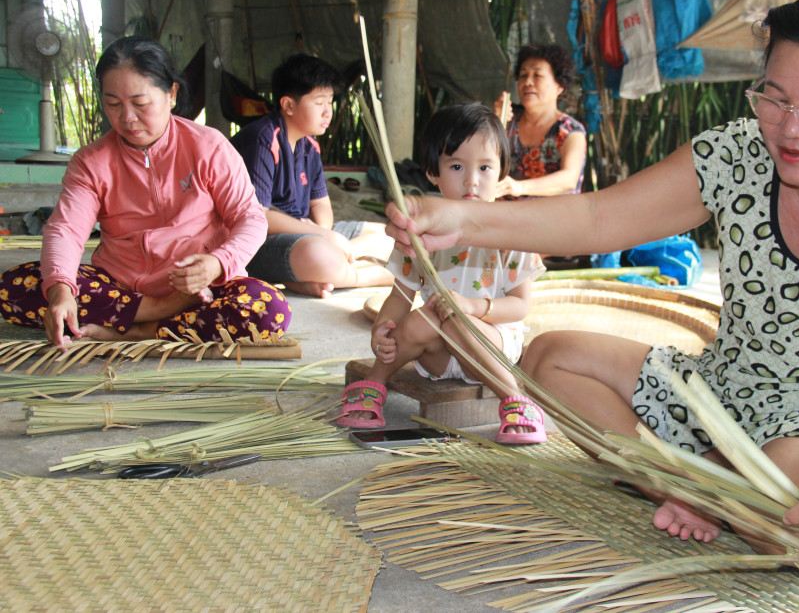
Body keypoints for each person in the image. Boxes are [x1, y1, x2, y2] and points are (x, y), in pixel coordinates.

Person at [384, 0, 799, 579]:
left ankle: (702, 484)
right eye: (773, 98)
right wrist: (461, 218)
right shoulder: (736, 155)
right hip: (723, 397)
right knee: (550, 358)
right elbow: (599, 217)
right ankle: (690, 486)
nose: (789, 127)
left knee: (794, 496)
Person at [0, 36, 291, 346]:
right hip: (120, 288)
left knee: (268, 309)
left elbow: (250, 218)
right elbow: (66, 231)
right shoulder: (91, 162)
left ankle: (140, 330)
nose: (127, 117)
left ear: (171, 94)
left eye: (140, 104)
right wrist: (61, 291)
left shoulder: (208, 146)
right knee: (15, 288)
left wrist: (218, 263)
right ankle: (162, 312)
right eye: (113, 104)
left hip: (202, 286)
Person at [339, 103, 546, 443]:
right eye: (456, 166)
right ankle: (376, 381)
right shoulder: (421, 233)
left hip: (490, 351)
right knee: (428, 316)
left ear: (502, 171)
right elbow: (400, 296)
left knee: (452, 314)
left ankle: (514, 397)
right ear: (433, 172)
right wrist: (382, 329)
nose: (472, 181)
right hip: (439, 358)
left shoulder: (512, 232)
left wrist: (472, 307)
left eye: (484, 167)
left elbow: (520, 307)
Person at [230, 53, 394, 298]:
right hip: (261, 242)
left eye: (330, 101)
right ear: (288, 105)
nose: (328, 111)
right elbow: (258, 217)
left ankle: (314, 275)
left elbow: (320, 203)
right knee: (318, 255)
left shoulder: (310, 146)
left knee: (388, 236)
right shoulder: (262, 139)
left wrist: (324, 232)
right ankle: (359, 275)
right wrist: (323, 237)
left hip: (307, 235)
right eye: (319, 103)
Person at [493, 44, 588, 200]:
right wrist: (494, 122)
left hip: (551, 222)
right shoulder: (507, 119)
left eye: (538, 76)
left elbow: (569, 179)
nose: (528, 82)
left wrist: (519, 187)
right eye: (523, 76)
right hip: (504, 219)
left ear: (560, 86)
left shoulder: (571, 131)